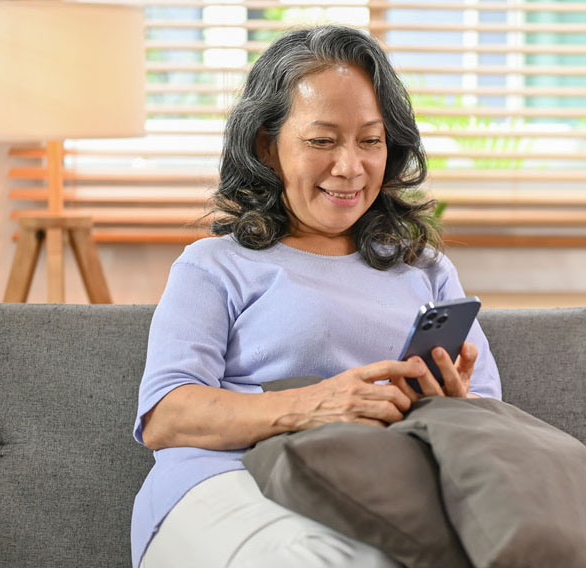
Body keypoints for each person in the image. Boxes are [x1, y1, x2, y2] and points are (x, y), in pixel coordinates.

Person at [130, 25, 502, 568]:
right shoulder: (214, 265)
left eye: (370, 141)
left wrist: (443, 408)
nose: (350, 167)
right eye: (322, 140)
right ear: (267, 145)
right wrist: (316, 406)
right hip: (234, 483)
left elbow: (487, 412)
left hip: (381, 487)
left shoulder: (425, 269)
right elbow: (166, 416)